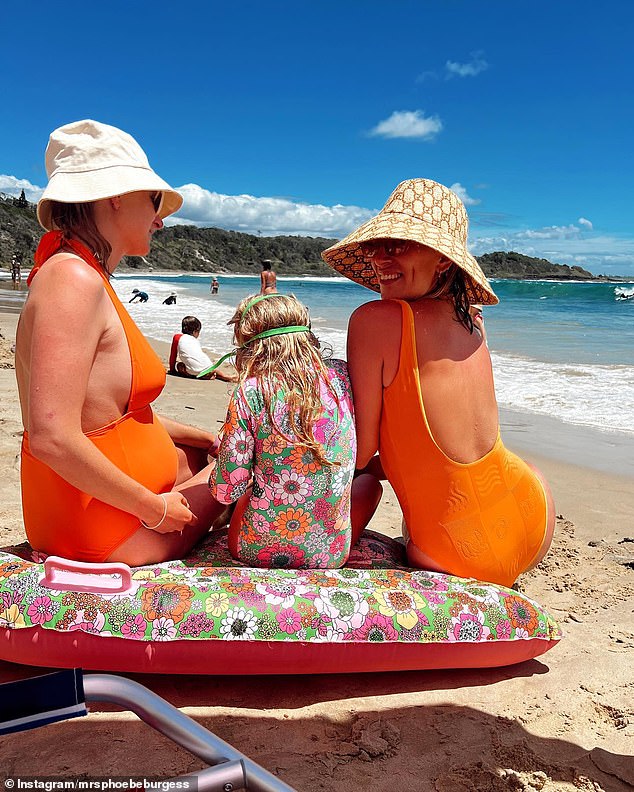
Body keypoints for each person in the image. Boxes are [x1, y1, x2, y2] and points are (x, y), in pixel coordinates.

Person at [322, 179, 555, 587]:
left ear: (444, 260)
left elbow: (361, 452)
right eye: (377, 244)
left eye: (399, 244)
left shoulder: (375, 320)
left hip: (451, 550)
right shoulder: (474, 321)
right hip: (531, 515)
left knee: (357, 481)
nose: (379, 257)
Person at [15, 119, 227, 567]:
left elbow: (113, 415)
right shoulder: (71, 279)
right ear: (114, 195)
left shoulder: (85, 274)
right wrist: (154, 510)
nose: (161, 220)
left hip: (98, 506)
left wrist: (208, 437)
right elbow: (51, 436)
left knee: (210, 453)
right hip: (100, 530)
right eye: (154, 200)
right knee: (248, 471)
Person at [210, 293, 381, 568]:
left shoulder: (251, 392)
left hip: (256, 549)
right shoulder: (341, 376)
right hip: (331, 555)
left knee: (251, 488)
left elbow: (225, 491)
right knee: (370, 484)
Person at [169, 315, 236, 382]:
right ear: (194, 332)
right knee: (209, 367)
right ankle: (224, 376)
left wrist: (172, 370)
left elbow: (173, 356)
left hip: (194, 372)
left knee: (179, 365)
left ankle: (202, 375)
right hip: (209, 368)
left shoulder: (177, 337)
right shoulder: (195, 341)